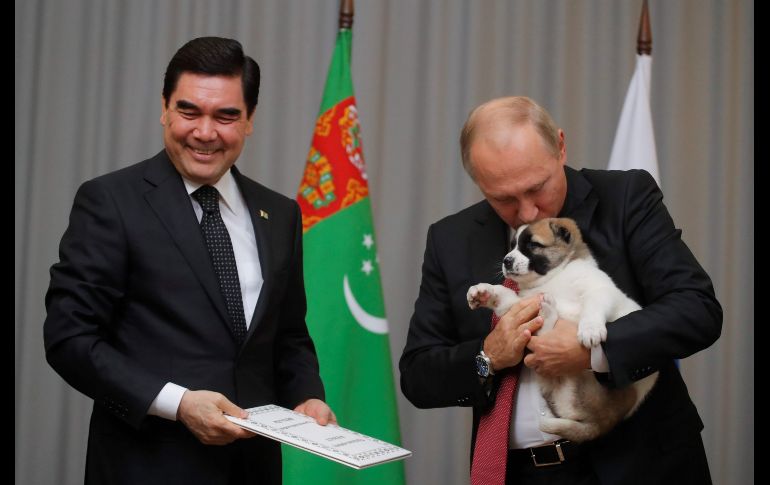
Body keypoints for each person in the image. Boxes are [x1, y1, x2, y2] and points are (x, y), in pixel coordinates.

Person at [43, 37, 335, 485]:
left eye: (226, 116)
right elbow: (71, 339)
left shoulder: (280, 213)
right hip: (144, 467)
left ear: (249, 120)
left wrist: (307, 395)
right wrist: (178, 404)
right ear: (164, 107)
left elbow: (289, 336)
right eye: (189, 111)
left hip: (253, 469)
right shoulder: (110, 202)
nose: (205, 132)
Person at [399, 96, 722, 484]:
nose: (528, 212)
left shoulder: (625, 198)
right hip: (520, 475)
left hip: (638, 466)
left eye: (538, 188)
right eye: (503, 198)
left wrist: (594, 351)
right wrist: (489, 357)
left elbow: (696, 308)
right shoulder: (450, 239)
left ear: (561, 147)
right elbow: (419, 375)